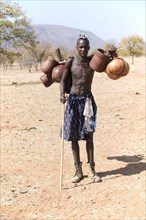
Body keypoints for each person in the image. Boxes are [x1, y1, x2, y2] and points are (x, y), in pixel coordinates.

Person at [60, 34, 102, 183]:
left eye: (86, 47)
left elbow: (108, 63)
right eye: (81, 47)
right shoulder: (70, 62)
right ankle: (78, 172)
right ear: (77, 48)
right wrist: (61, 94)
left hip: (87, 102)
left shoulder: (93, 63)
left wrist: (112, 54)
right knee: (73, 137)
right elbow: (63, 80)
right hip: (72, 101)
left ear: (89, 48)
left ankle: (92, 171)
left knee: (89, 136)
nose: (83, 49)